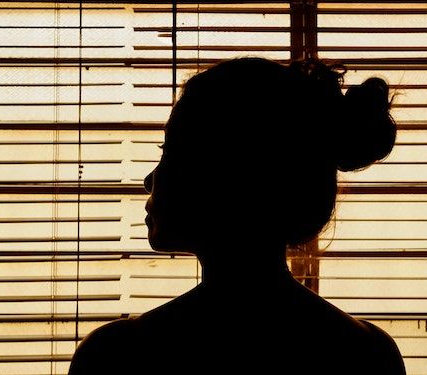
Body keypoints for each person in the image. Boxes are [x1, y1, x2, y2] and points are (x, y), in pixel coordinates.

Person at [68, 57, 405, 374]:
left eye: (169, 153)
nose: (148, 181)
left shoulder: (117, 358)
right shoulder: (369, 354)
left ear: (223, 172)